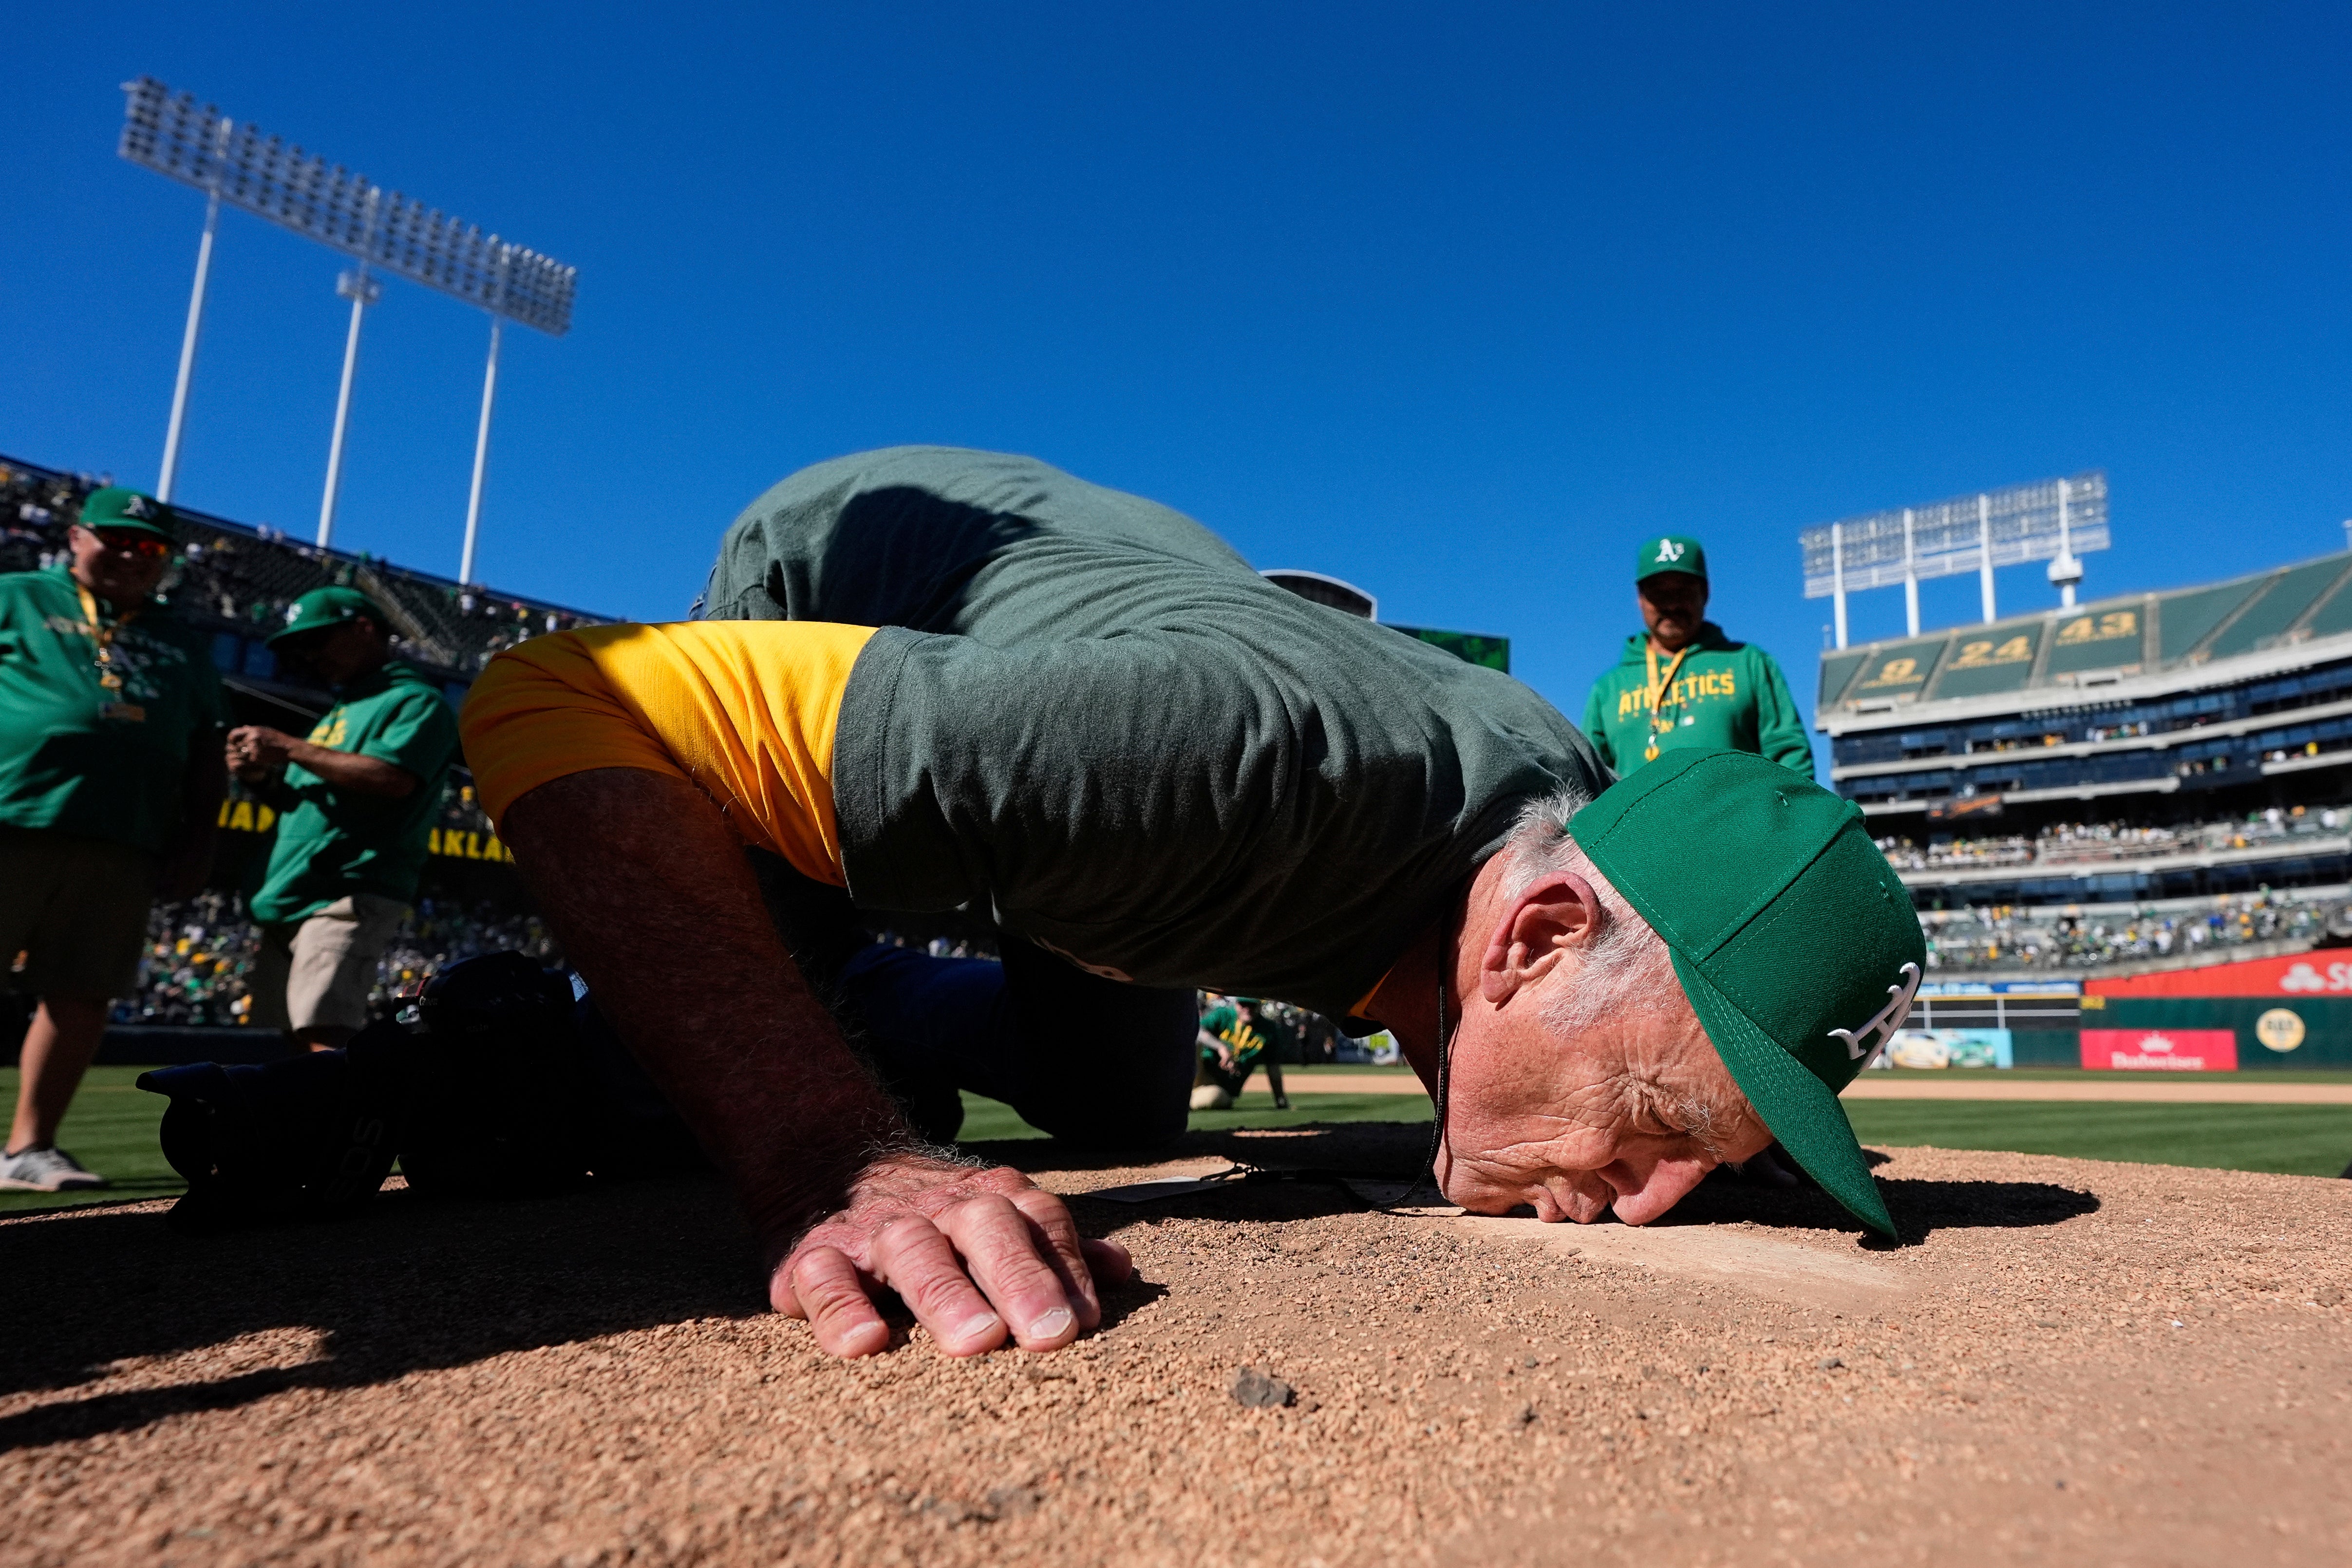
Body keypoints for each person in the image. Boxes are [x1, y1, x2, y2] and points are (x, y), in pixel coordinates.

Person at [456, 446, 1922, 1361]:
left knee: (1119, 1100)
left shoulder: (1578, 822)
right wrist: (826, 1150)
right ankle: (805, 1019)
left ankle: (883, 1017)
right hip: (855, 577)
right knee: (697, 1085)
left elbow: (1621, 961)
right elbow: (554, 693)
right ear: (1530, 937)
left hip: (1135, 669)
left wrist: (1713, 1104)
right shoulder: (1211, 767)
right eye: (1663, 1126)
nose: (1659, 1195)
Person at [0, 487, 226, 1190]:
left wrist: (200, 837)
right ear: (76, 537)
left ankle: (28, 1148)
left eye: (150, 546)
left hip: (124, 838)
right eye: (117, 537)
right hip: (11, 815)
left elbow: (205, 747)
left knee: (83, 992)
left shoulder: (183, 641)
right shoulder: (17, 595)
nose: (132, 553)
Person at [226, 587, 461, 1052]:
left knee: (323, 1033)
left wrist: (289, 747)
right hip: (292, 891)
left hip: (347, 890)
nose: (310, 656)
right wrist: (258, 777)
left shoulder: (415, 701)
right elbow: (303, 802)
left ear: (364, 628)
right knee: (282, 1044)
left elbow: (392, 779)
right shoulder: (340, 711)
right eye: (301, 647)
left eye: (319, 640)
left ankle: (342, 1128)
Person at [1581, 535, 1813, 779]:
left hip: (1735, 816)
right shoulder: (1607, 690)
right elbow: (1588, 777)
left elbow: (1790, 754)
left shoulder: (1749, 663)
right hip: (1642, 818)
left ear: (1705, 593)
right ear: (1640, 599)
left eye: (1683, 592)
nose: (1671, 605)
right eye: (1658, 594)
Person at [1191, 994, 1291, 1110]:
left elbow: (1273, 1066)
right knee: (1192, 1041)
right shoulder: (1223, 1015)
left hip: (1223, 1087)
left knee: (1214, 1098)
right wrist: (1221, 1047)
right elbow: (1197, 1031)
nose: (1247, 1009)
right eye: (1243, 1004)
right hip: (1201, 1074)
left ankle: (1182, 1101)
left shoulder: (1268, 1030)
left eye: (1252, 1005)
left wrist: (1280, 1099)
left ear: (1259, 1006)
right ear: (1236, 1004)